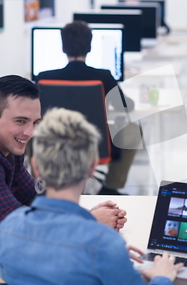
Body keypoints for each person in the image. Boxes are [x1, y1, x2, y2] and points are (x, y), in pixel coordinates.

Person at [0, 108, 182, 285]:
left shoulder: (8, 230)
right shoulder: (104, 244)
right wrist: (161, 277)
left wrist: (109, 258)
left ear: (36, 167)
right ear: (92, 167)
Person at [0, 75, 127, 266]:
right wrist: (89, 223)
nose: (31, 133)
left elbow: (36, 196)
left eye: (35, 122)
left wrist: (82, 215)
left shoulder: (6, 147)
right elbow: (19, 230)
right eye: (20, 121)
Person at [36, 20, 137, 195]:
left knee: (32, 129)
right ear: (89, 47)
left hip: (54, 141)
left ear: (63, 47)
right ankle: (110, 187)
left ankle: (38, 183)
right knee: (133, 130)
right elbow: (125, 106)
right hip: (95, 142)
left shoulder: (44, 77)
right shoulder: (103, 76)